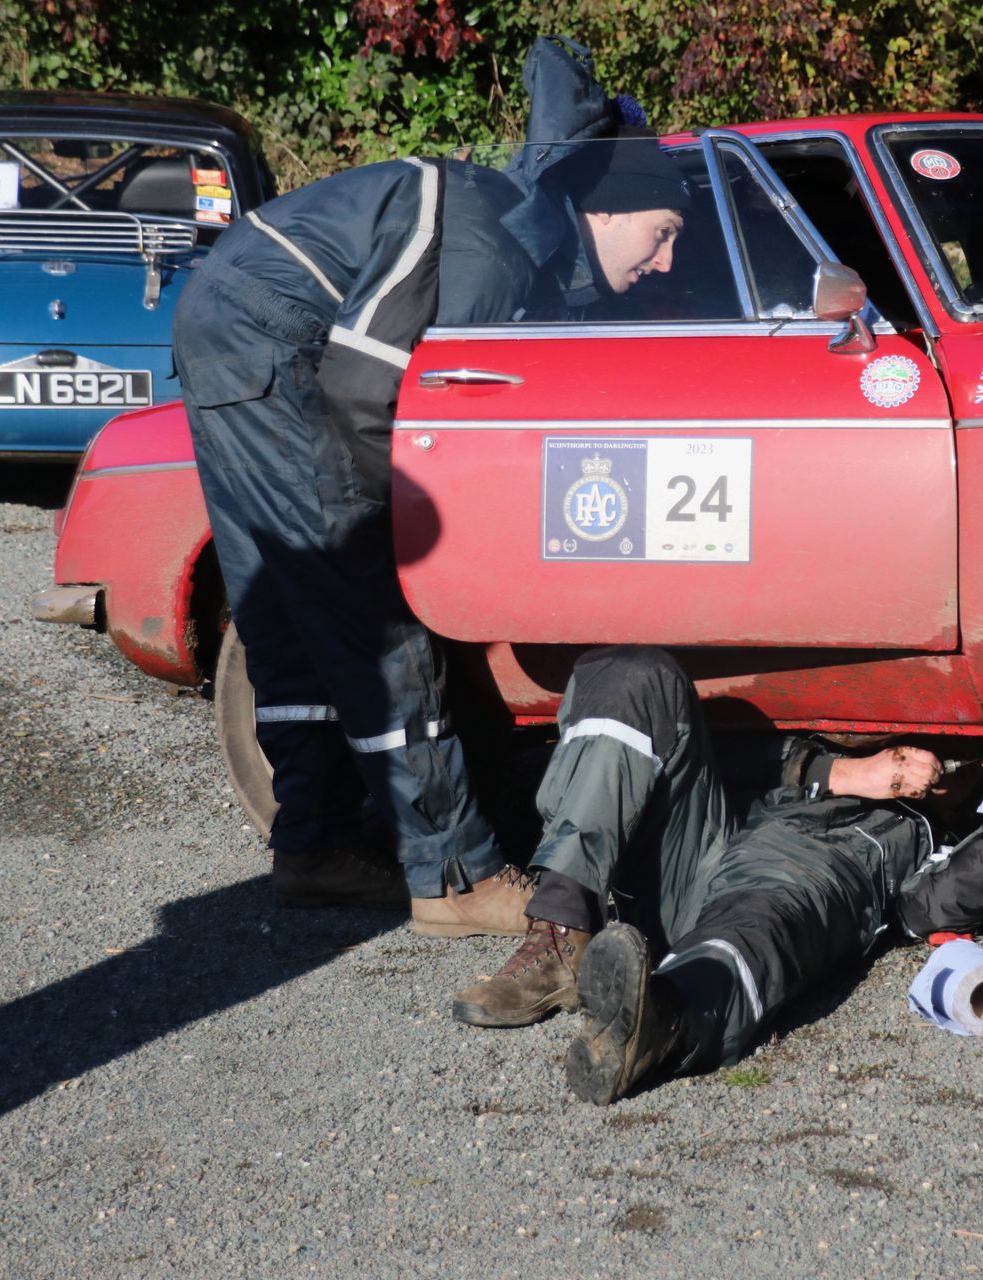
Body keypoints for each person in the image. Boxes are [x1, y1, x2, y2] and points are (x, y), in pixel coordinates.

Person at [171, 38, 692, 935]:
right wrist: (405, 540)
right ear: (605, 213)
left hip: (223, 325)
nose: (667, 262)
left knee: (289, 615)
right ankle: (453, 877)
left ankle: (317, 848)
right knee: (376, 612)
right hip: (279, 345)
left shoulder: (513, 236)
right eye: (665, 234)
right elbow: (360, 386)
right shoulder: (489, 241)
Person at [448, 646, 983, 1106]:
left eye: (975, 770)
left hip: (786, 881)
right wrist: (842, 771)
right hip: (700, 848)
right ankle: (560, 929)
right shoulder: (840, 751)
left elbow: (935, 909)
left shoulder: (921, 841)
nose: (943, 768)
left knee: (765, 917)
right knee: (632, 673)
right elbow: (729, 755)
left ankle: (663, 1021)